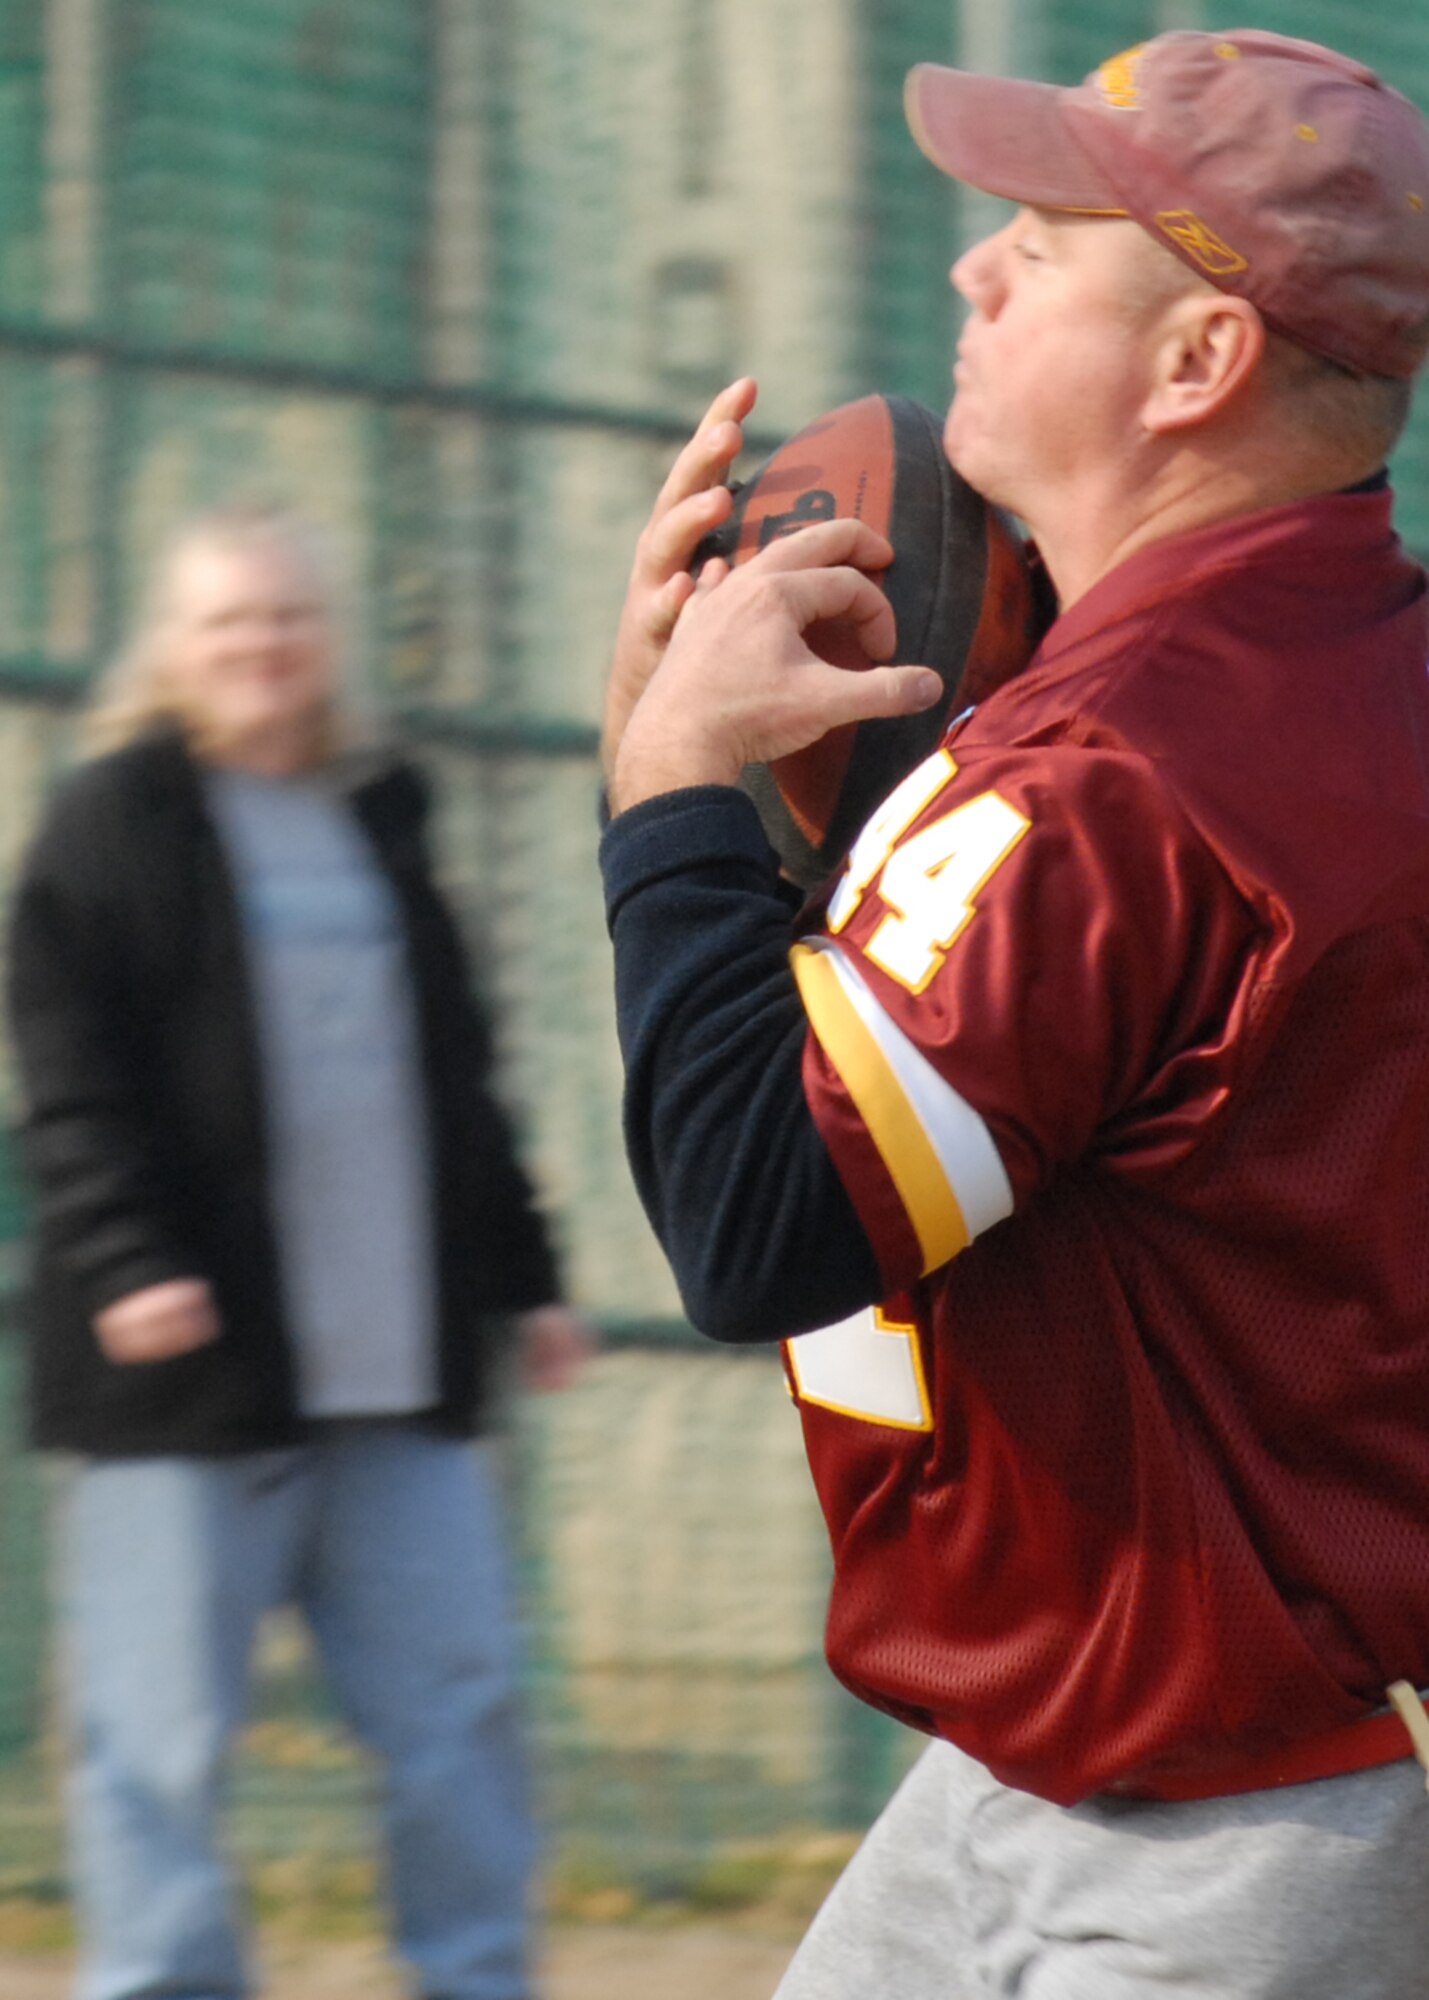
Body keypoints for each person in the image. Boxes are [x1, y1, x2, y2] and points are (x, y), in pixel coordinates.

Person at [599, 29, 1429, 1999]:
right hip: (1068, 1768)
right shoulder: (1293, 674)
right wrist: (698, 775)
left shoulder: (1124, 769)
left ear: (1195, 361)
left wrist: (673, 793)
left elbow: (759, 1219)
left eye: (1042, 248)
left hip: (1218, 1833)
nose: (972, 268)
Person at [7, 504, 592, 2000]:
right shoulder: (113, 821)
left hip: (396, 1385)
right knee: (154, 1746)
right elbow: (69, 1074)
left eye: (287, 616)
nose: (262, 645)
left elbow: (459, 1080)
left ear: (327, 639)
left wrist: (526, 1282)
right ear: (175, 647)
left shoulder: (379, 814)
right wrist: (129, 1261)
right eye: (228, 621)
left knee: (459, 1718)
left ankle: (475, 1978)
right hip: (188, 1389)